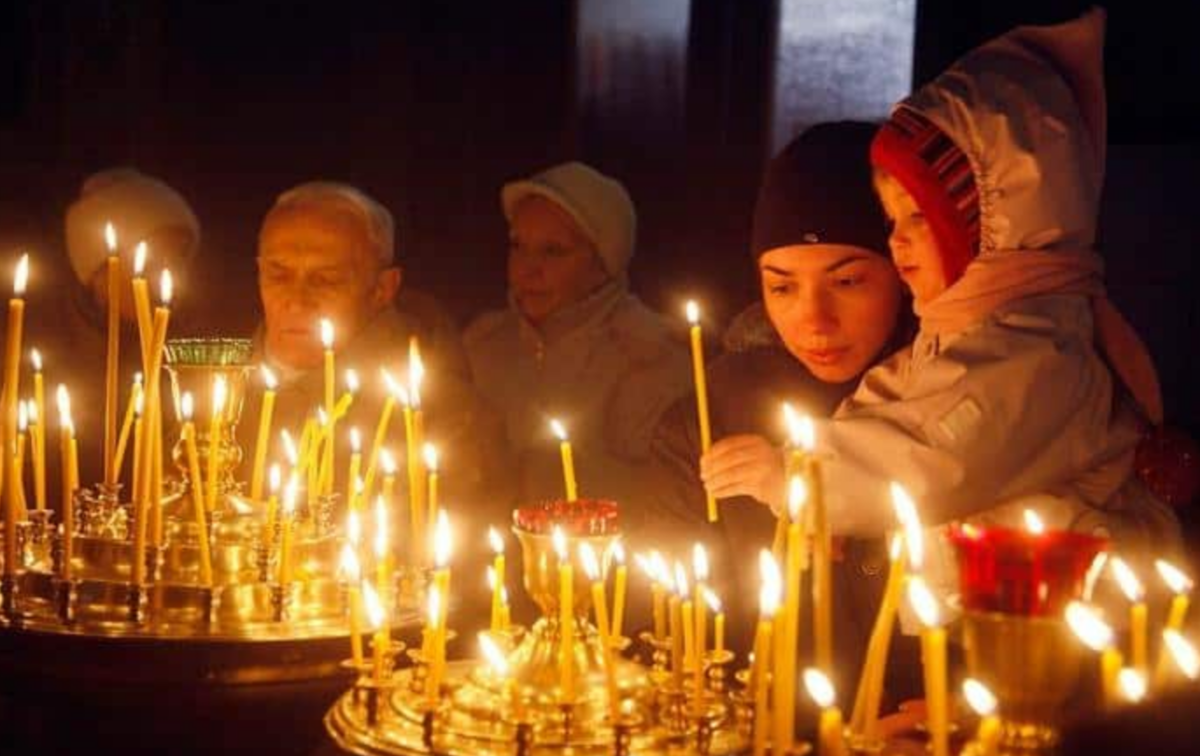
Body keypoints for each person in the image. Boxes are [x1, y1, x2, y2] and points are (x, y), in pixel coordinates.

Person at [701, 9, 1180, 617]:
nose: (897, 241)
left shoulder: (1034, 350)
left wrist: (801, 479)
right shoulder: (964, 330)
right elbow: (891, 403)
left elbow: (936, 453)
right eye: (891, 220)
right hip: (986, 619)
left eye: (918, 218)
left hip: (1065, 630)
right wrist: (826, 495)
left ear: (990, 221)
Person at [644, 122, 915, 697]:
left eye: (846, 280)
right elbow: (682, 628)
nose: (814, 319)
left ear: (904, 266)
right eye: (783, 287)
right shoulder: (706, 420)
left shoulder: (962, 398)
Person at [246, 181, 508, 528]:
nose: (296, 299)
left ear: (383, 289)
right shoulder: (209, 395)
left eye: (325, 280)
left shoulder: (445, 422)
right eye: (278, 275)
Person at [464, 162, 690, 512]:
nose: (528, 268)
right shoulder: (483, 346)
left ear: (602, 262)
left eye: (552, 251)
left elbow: (662, 501)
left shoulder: (648, 358)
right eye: (518, 246)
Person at [25, 167, 201, 489]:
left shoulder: (187, 354)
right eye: (150, 260)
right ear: (98, 271)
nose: (171, 275)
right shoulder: (35, 361)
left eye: (179, 257)